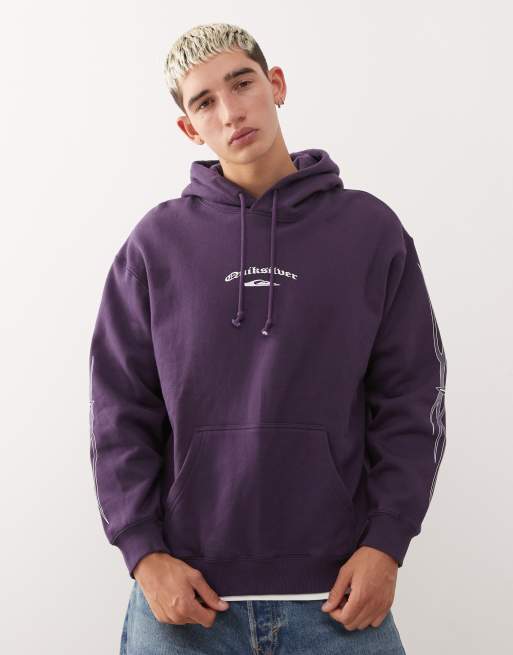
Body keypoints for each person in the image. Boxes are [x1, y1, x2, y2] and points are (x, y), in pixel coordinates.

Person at [88, 22, 447, 655]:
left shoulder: (369, 231)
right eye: (205, 102)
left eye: (242, 84)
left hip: (338, 600)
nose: (231, 112)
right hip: (186, 604)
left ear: (275, 84)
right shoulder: (155, 246)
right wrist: (143, 554)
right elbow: (118, 411)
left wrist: (387, 543)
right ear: (189, 128)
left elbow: (412, 398)